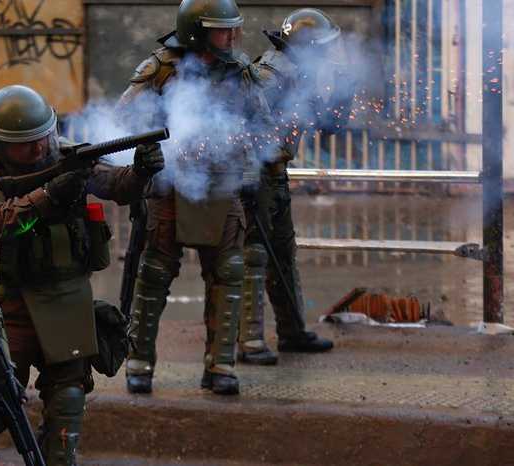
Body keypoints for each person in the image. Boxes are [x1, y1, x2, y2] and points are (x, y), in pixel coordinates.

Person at [0, 85, 164, 466]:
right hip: (9, 307)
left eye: (42, 137)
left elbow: (117, 186)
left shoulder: (66, 157)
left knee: (68, 402)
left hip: (67, 302)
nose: (38, 149)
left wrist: (141, 172)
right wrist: (50, 195)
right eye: (25, 144)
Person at [118, 0, 272, 395]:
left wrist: (250, 164)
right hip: (170, 187)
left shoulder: (242, 72)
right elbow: (125, 119)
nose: (232, 37)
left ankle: (220, 366)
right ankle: (139, 363)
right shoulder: (162, 67)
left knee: (228, 274)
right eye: (223, 29)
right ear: (197, 31)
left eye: (233, 28)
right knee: (153, 275)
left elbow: (266, 129)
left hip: (224, 186)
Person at [238, 8, 355, 364]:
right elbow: (241, 125)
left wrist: (343, 83)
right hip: (255, 176)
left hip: (274, 175)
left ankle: (291, 332)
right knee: (255, 256)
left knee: (282, 255)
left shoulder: (300, 72)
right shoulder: (272, 74)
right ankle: (251, 341)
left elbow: (328, 126)